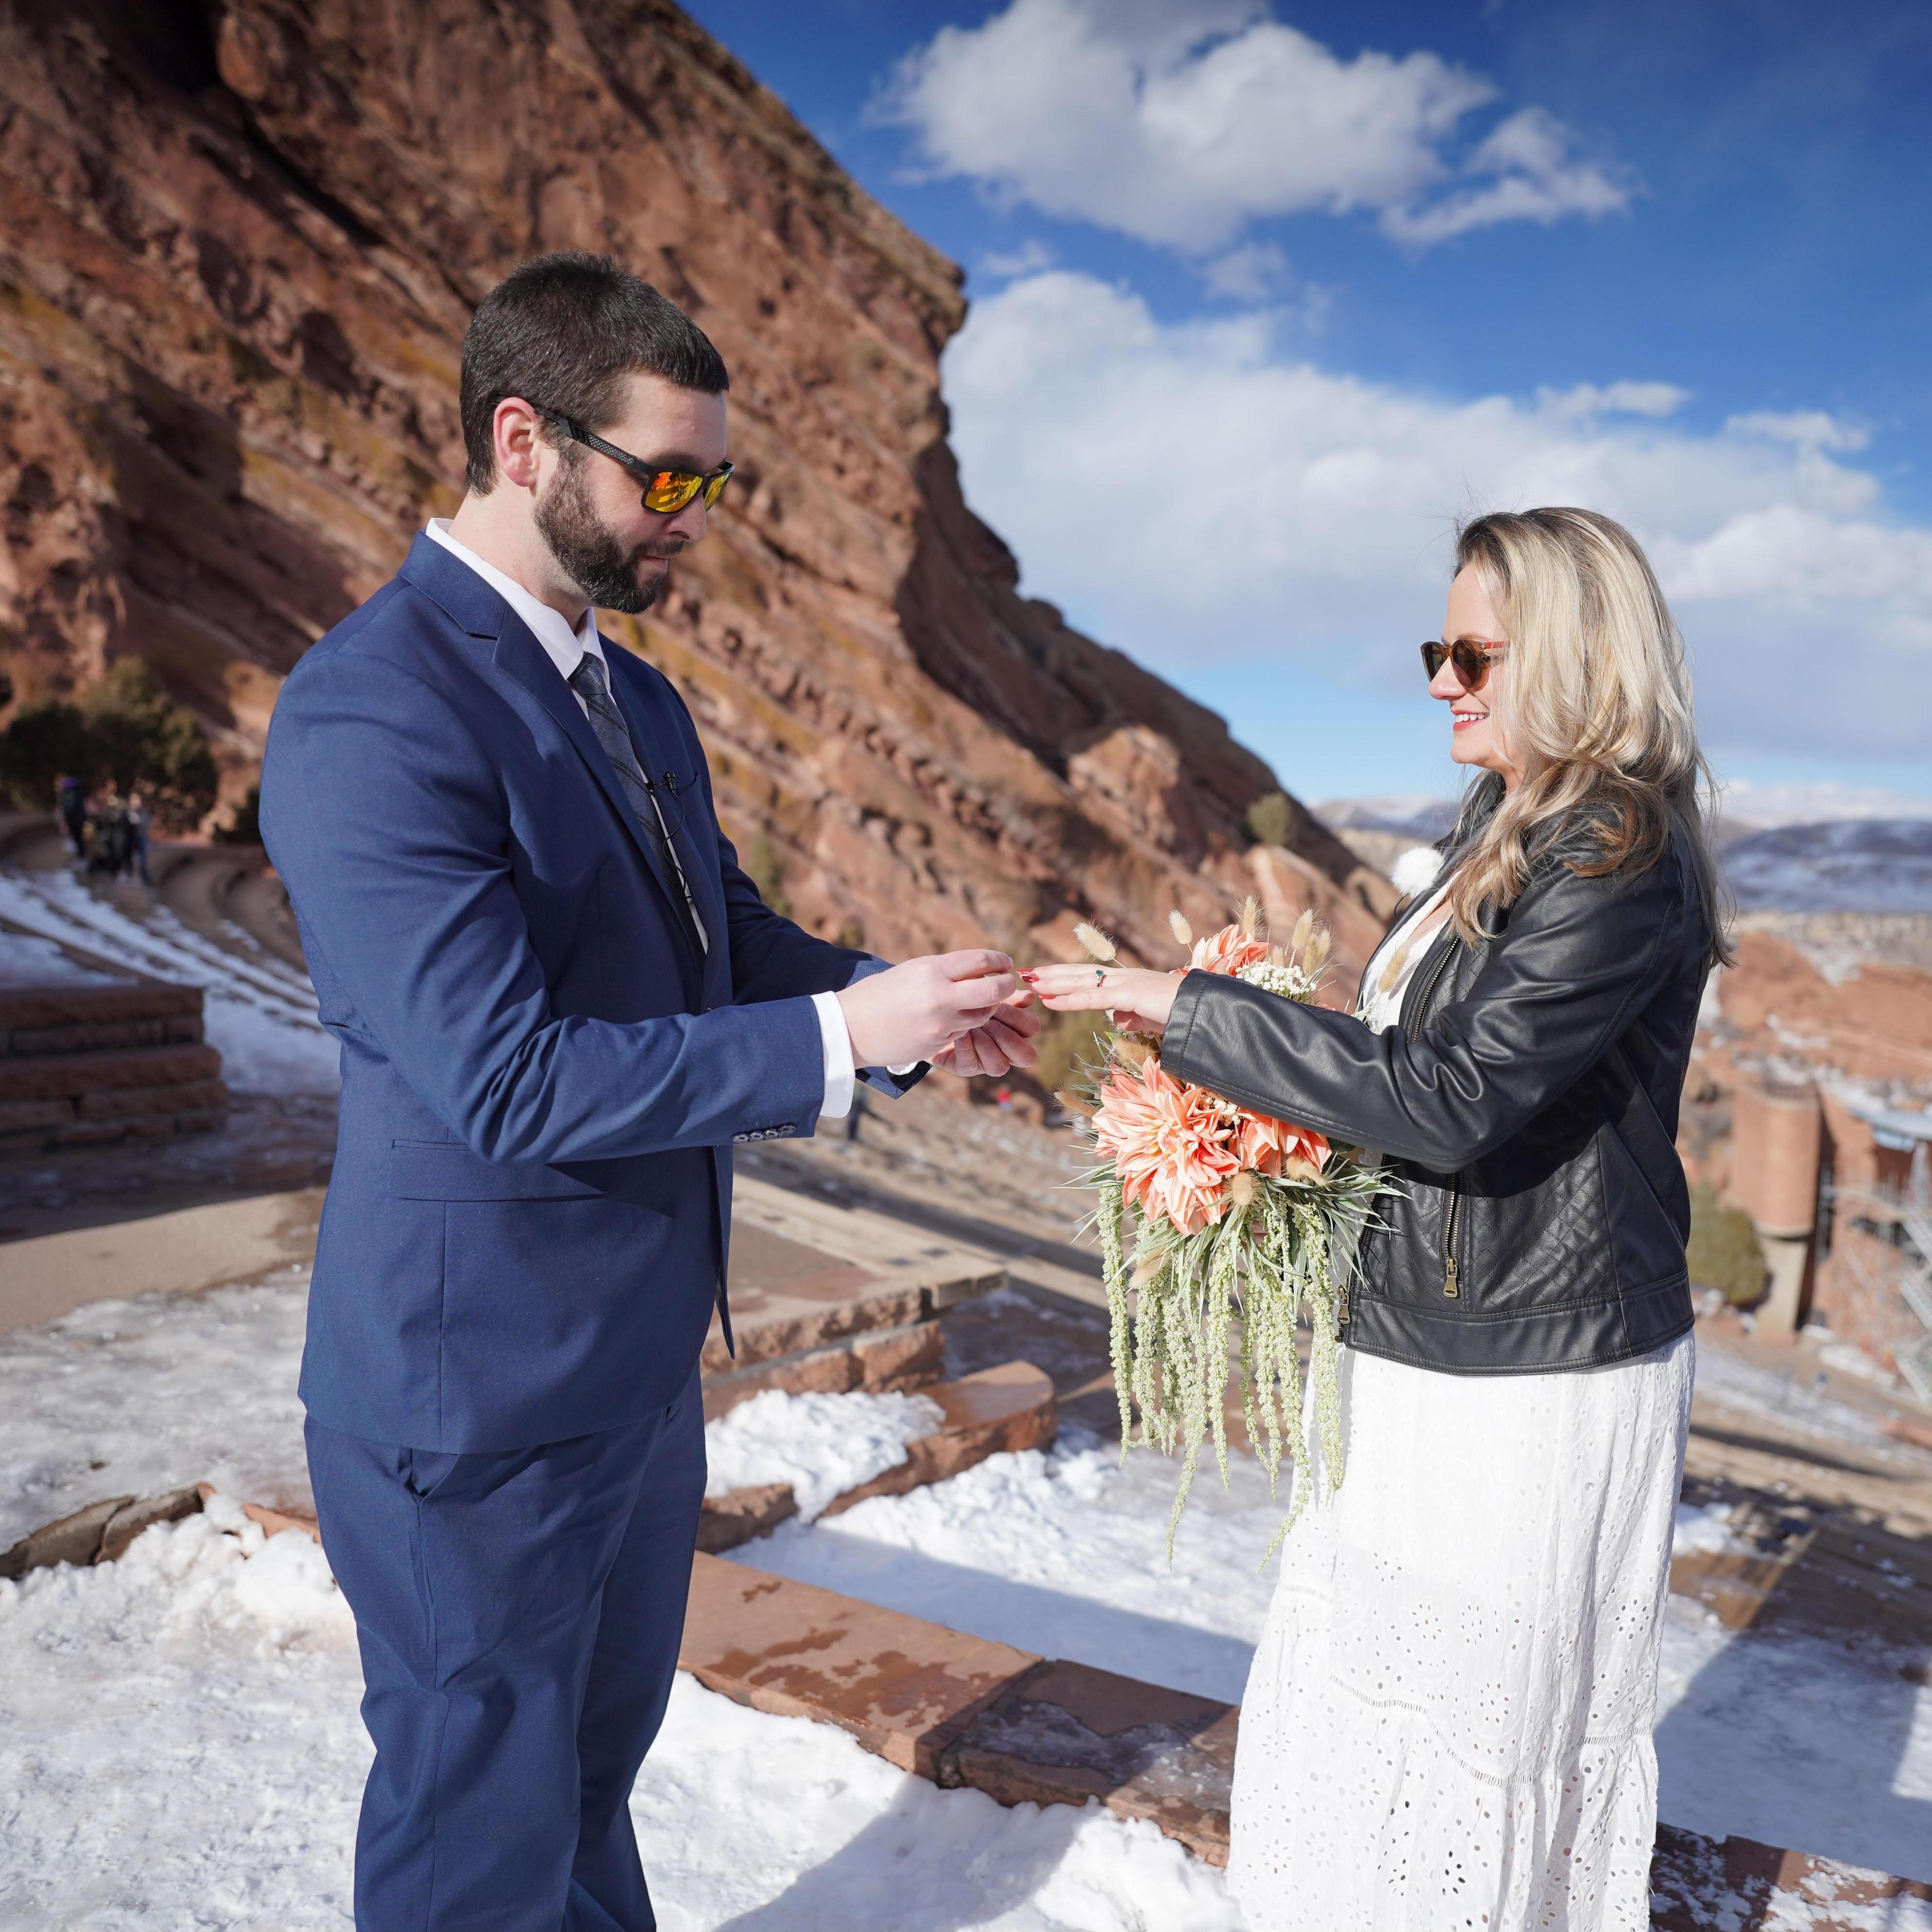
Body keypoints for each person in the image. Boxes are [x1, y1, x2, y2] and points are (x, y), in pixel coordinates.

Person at [260, 252, 1037, 1932]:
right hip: (467, 1406)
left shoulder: (637, 697)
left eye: (715, 481)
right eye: (666, 475)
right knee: (477, 1834)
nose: (695, 515)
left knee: (588, 1789)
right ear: (523, 439)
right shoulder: (370, 710)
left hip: (631, 1379)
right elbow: (505, 1074)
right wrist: (837, 1044)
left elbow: (721, 944)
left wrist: (894, 1007)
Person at [1027, 508, 1726, 1932]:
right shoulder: (1501, 818)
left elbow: (1452, 1094)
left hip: (1530, 1374)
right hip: (1427, 1346)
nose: (1437, 680)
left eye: (1472, 650)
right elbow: (1402, 1065)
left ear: (1574, 655)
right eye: (1435, 646)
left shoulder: (1612, 848)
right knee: (1378, 1707)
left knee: (1477, 1735)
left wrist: (1187, 1013)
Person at [125, 790, 153, 885]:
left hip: (141, 837)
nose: (136, 802)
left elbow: (145, 824)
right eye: (134, 800)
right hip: (130, 838)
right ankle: (130, 875)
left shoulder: (144, 812)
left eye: (138, 800)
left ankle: (145, 878)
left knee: (143, 859)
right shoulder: (127, 812)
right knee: (130, 858)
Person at [56, 775, 86, 860]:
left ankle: (81, 856)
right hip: (79, 820)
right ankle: (81, 855)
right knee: (78, 838)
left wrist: (66, 818)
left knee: (77, 838)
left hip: (74, 820)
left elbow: (70, 808)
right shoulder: (79, 793)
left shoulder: (70, 794)